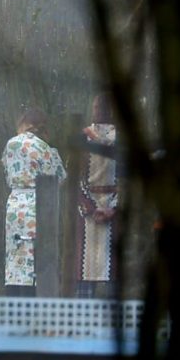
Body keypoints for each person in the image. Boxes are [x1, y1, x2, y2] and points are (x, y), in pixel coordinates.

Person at [0, 107, 67, 296]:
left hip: (14, 205)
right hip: (37, 205)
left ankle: (13, 299)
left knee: (15, 257)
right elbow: (60, 178)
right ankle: (32, 301)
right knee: (35, 258)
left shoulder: (11, 144)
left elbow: (6, 172)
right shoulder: (44, 148)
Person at [77, 93, 117, 298]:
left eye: (101, 108)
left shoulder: (122, 139)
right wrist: (92, 208)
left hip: (111, 210)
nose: (98, 111)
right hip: (90, 214)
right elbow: (75, 177)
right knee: (87, 268)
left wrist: (112, 208)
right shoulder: (83, 137)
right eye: (96, 107)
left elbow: (129, 179)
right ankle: (83, 316)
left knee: (114, 271)